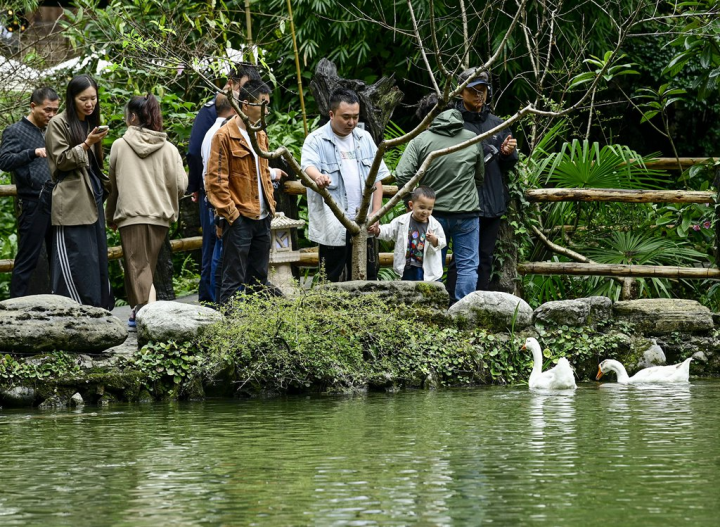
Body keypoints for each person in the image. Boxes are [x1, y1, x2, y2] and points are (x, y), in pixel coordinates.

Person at [106, 94, 188, 327]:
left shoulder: (120, 146)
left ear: (132, 117)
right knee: (144, 269)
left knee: (138, 268)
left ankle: (147, 319)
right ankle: (139, 313)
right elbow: (181, 185)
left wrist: (109, 215)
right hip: (160, 217)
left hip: (131, 216)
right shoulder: (169, 149)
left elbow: (113, 186)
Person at [394, 94, 484, 301]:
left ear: (427, 118)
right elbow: (479, 176)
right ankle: (464, 310)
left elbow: (402, 174)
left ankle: (432, 308)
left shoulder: (421, 140)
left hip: (431, 215)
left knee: (431, 263)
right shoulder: (472, 138)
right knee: (468, 265)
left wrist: (413, 202)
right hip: (467, 212)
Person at [205, 79, 287, 304]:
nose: (267, 109)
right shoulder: (223, 136)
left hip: (262, 217)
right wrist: (233, 215)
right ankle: (229, 331)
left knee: (258, 279)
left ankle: (256, 328)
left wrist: (270, 206)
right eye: (263, 104)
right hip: (240, 217)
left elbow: (262, 172)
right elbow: (215, 182)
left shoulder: (260, 133)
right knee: (233, 279)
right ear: (246, 103)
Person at [187, 63, 261, 303]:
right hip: (215, 194)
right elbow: (195, 154)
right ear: (231, 83)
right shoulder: (215, 113)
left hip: (245, 201)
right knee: (215, 249)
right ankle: (210, 300)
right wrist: (197, 187)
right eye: (244, 87)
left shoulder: (252, 120)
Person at [301, 88, 388, 282]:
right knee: (331, 277)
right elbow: (308, 166)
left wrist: (376, 213)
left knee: (368, 277)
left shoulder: (364, 138)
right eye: (346, 117)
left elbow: (377, 178)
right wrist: (319, 177)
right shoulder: (315, 140)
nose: (351, 122)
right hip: (335, 223)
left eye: (355, 117)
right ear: (331, 114)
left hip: (363, 221)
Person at [45, 74, 113, 309]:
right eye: (83, 99)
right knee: (76, 257)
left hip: (92, 196)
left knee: (96, 256)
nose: (89, 103)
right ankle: (72, 309)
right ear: (71, 98)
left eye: (93, 98)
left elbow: (95, 164)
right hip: (72, 201)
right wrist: (86, 144)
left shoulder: (89, 122)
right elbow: (61, 161)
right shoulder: (58, 123)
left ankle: (98, 308)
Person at [455, 67, 518, 290]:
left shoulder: (498, 123)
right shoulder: (453, 123)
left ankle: (478, 304)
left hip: (492, 202)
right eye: (473, 90)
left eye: (482, 90)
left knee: (485, 258)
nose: (478, 95)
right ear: (461, 92)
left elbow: (510, 163)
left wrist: (507, 153)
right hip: (462, 203)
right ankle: (454, 304)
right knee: (461, 259)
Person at [0, 87, 59, 298]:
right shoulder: (14, 131)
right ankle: (15, 310)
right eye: (47, 110)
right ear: (33, 106)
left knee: (59, 257)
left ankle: (61, 305)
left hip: (57, 201)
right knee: (27, 259)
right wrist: (31, 153)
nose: (51, 115)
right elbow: (4, 161)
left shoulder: (52, 130)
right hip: (32, 202)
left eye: (55, 110)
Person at [200, 93, 237, 303]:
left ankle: (216, 298)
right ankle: (219, 299)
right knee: (221, 252)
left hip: (213, 199)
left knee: (217, 251)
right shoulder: (221, 134)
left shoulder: (210, 132)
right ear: (234, 109)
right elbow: (216, 175)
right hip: (221, 200)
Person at [369, 186, 446, 282]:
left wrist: (435, 240)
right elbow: (389, 230)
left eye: (429, 209)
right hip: (407, 266)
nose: (425, 212)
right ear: (411, 205)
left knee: (426, 290)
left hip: (426, 267)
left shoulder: (435, 225)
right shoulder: (402, 221)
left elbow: (442, 242)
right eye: (422, 207)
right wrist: (377, 230)